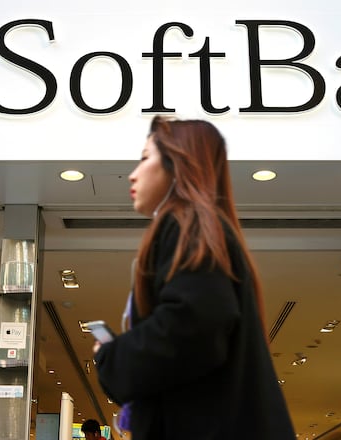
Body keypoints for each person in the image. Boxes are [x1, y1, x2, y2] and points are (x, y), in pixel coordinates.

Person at [92, 116, 295, 439]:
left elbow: (192, 326)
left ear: (177, 164)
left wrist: (112, 357)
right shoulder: (204, 226)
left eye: (145, 158)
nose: (132, 174)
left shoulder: (189, 223)